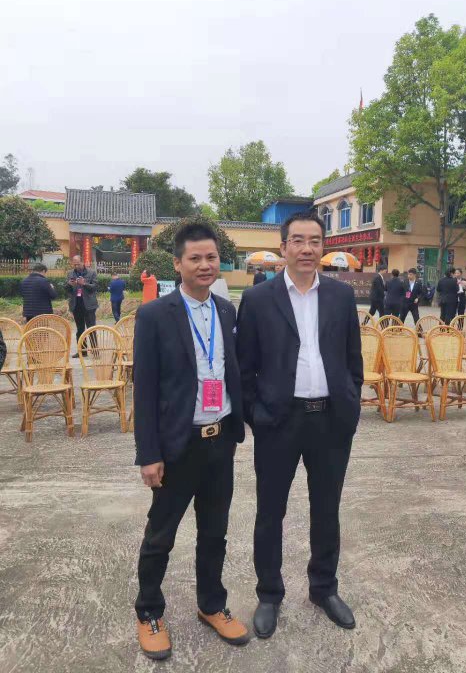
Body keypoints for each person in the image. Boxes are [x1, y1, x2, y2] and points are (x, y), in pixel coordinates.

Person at [236, 211, 363, 639]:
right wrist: (257, 415)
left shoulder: (341, 296)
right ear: (284, 247)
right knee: (270, 511)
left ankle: (324, 588)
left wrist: (350, 403)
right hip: (279, 421)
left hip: (330, 420)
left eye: (314, 241)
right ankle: (269, 594)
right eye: (298, 240)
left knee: (327, 509)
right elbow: (244, 367)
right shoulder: (258, 299)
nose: (307, 249)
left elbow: (353, 359)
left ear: (323, 246)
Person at [133, 223, 248, 660]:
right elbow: (144, 390)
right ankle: (149, 612)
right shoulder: (154, 315)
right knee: (160, 535)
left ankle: (211, 604)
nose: (205, 265)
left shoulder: (227, 311)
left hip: (220, 441)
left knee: (215, 533)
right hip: (178, 445)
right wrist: (149, 454)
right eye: (195, 258)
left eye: (211, 257)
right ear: (178, 264)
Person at [65, 255, 98, 356]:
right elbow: (67, 290)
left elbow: (95, 287)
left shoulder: (91, 272)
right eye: (74, 264)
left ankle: (95, 351)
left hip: (89, 305)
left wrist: (84, 284)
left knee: (91, 328)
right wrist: (69, 285)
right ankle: (82, 352)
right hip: (76, 305)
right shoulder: (70, 273)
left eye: (78, 264)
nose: (76, 266)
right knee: (80, 329)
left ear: (83, 262)